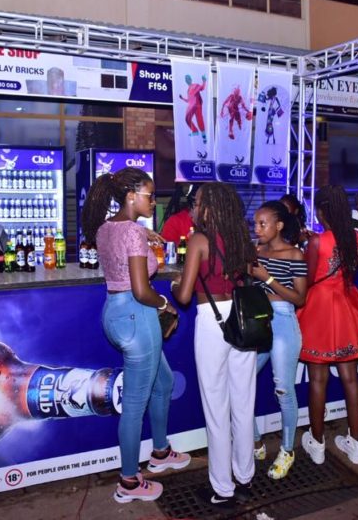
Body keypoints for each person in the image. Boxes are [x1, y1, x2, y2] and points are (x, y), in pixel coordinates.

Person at [81, 168, 190, 504]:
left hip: (115, 313)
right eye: (149, 195)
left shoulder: (106, 228)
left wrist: (145, 234)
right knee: (134, 404)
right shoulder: (132, 233)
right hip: (137, 314)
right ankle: (128, 481)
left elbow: (125, 250)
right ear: (131, 196)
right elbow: (143, 290)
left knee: (164, 382)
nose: (154, 201)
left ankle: (160, 451)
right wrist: (166, 305)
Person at [171, 183, 257, 509]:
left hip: (212, 321)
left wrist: (176, 284)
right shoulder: (241, 238)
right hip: (243, 319)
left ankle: (222, 489)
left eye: (196, 203)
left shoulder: (199, 240)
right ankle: (245, 478)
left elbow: (183, 296)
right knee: (244, 403)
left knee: (216, 408)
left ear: (208, 208)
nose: (193, 208)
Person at [297, 185, 358, 466]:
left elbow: (309, 279)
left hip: (320, 309)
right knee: (351, 378)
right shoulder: (355, 237)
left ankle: (317, 443)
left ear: (321, 210)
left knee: (318, 380)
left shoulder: (317, 242)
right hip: (347, 305)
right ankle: (356, 443)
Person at [251, 201, 308, 480]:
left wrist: (268, 278)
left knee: (284, 389)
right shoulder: (256, 251)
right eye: (255, 223)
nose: (257, 229)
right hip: (257, 320)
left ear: (279, 225)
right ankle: (255, 441)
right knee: (240, 383)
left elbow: (300, 298)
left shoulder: (295, 254)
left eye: (263, 224)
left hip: (283, 320)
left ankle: (287, 450)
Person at [179, 74, 207, 144]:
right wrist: (182, 98)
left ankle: (204, 136)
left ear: (191, 79)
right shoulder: (188, 90)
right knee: (187, 119)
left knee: (200, 120)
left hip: (197, 105)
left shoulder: (195, 85)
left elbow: (202, 88)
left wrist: (204, 81)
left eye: (188, 78)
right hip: (192, 106)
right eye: (186, 79)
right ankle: (195, 131)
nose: (187, 80)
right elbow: (189, 100)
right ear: (185, 81)